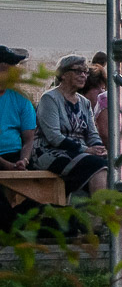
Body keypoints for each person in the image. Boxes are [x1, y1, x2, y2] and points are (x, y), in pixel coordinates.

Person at [34, 55, 108, 197]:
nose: (83, 76)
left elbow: (92, 133)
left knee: (111, 165)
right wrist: (86, 149)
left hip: (81, 153)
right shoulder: (49, 98)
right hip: (52, 152)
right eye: (78, 71)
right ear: (63, 74)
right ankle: (99, 210)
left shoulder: (84, 102)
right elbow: (54, 137)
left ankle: (112, 208)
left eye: (85, 72)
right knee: (96, 165)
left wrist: (99, 148)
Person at [0, 46, 37, 172]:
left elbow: (29, 139)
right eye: (5, 70)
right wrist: (7, 165)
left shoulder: (21, 98)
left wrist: (24, 160)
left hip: (15, 155)